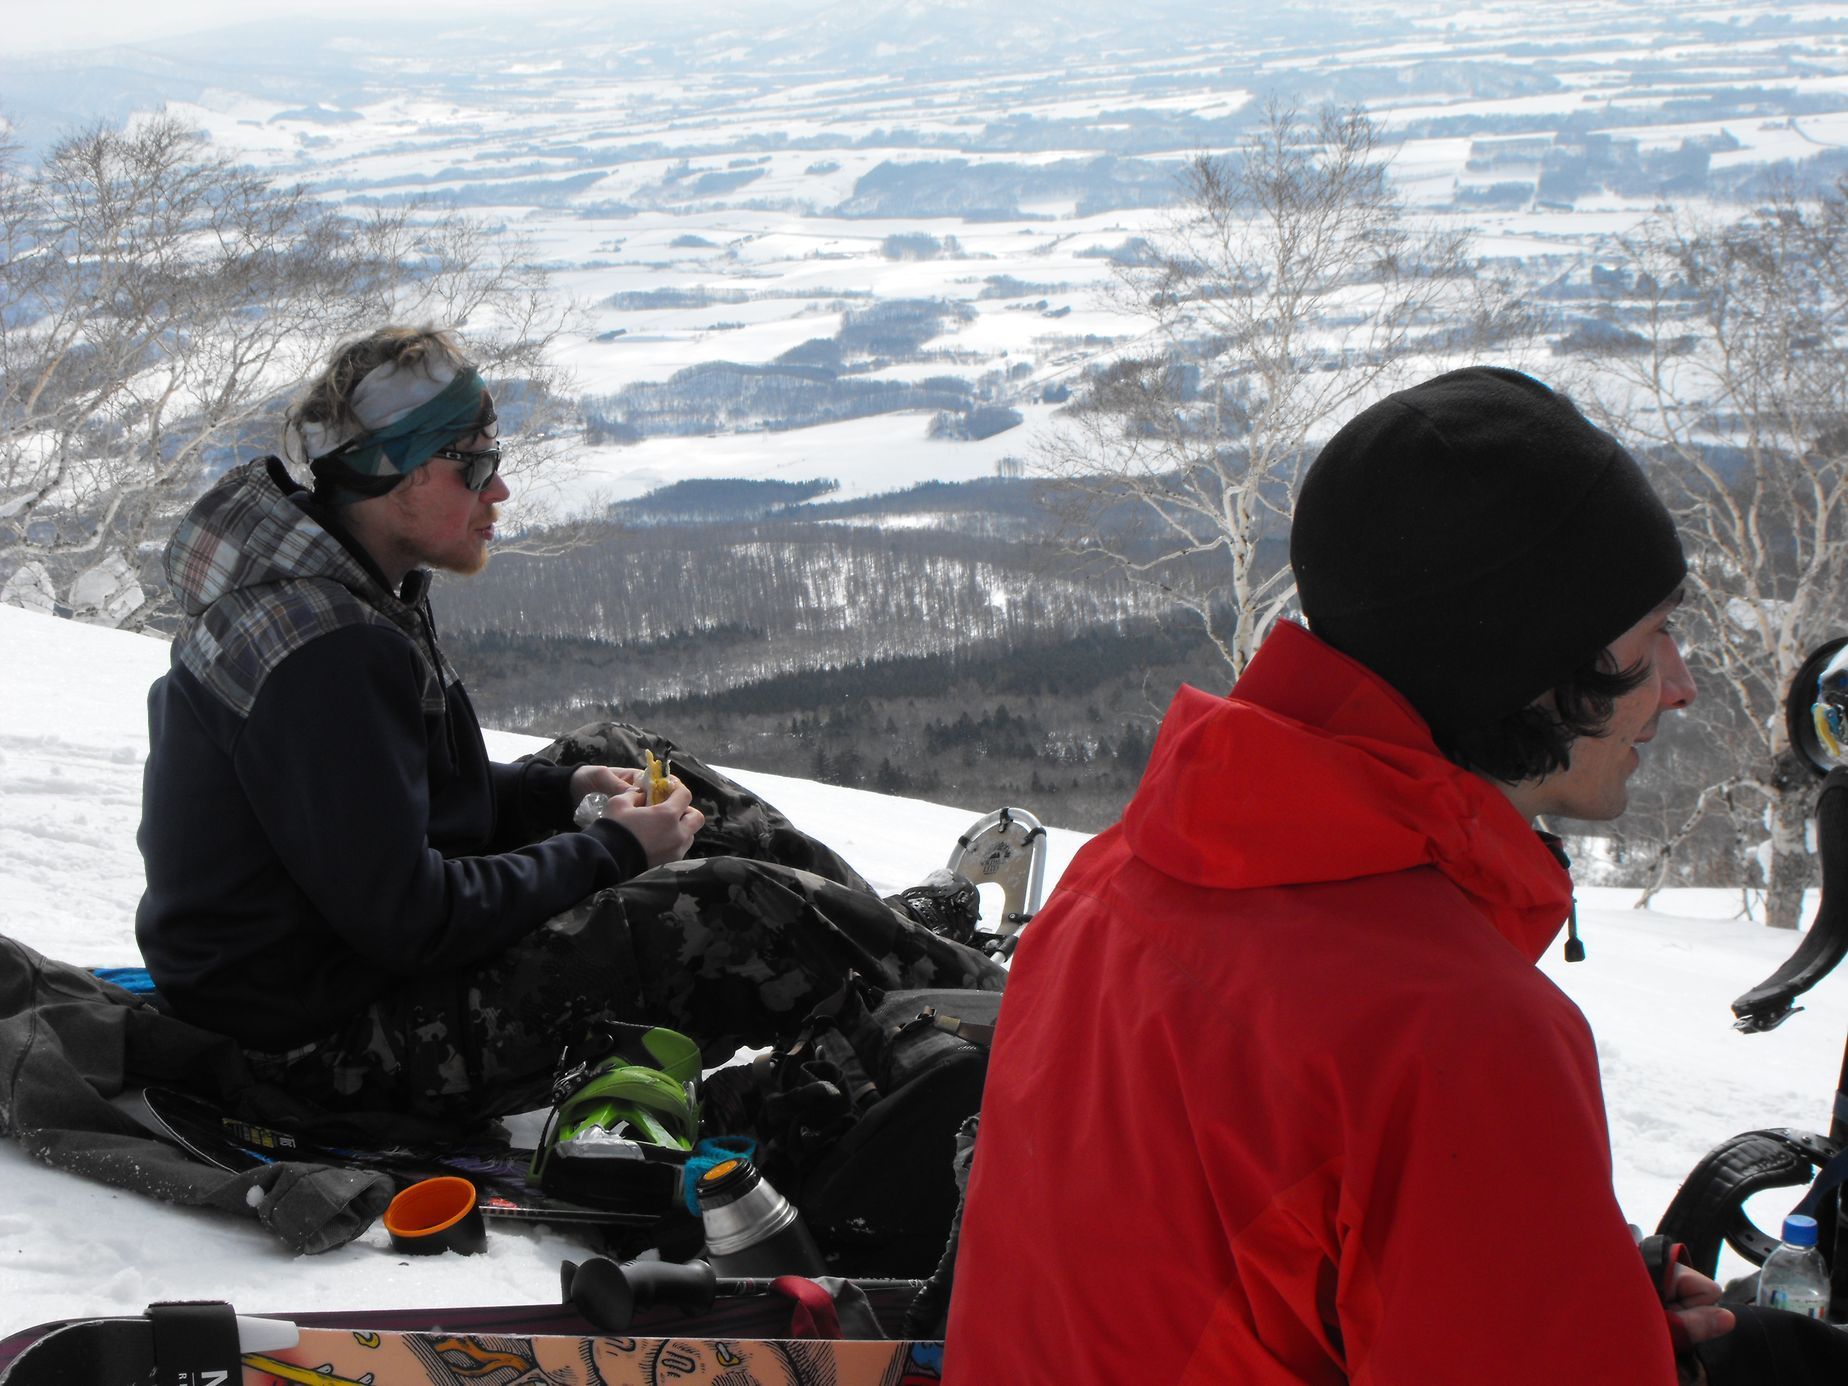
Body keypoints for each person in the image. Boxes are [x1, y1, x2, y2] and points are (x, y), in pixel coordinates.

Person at [944, 367, 1847, 1383]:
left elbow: (1199, 1269)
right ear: (1524, 666)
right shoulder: (1452, 1032)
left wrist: (1563, 1290)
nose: (1680, 688)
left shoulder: (1111, 887)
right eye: (1652, 641)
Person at [136, 325, 1002, 1127]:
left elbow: (401, 805)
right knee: (730, 907)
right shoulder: (328, 652)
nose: (499, 488)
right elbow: (411, 920)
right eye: (473, 465)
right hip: (320, 1053)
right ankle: (1005, 1020)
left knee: (617, 758)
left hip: (339, 973)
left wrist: (564, 793)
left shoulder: (344, 585)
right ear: (397, 474)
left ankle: (882, 941)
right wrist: (614, 852)